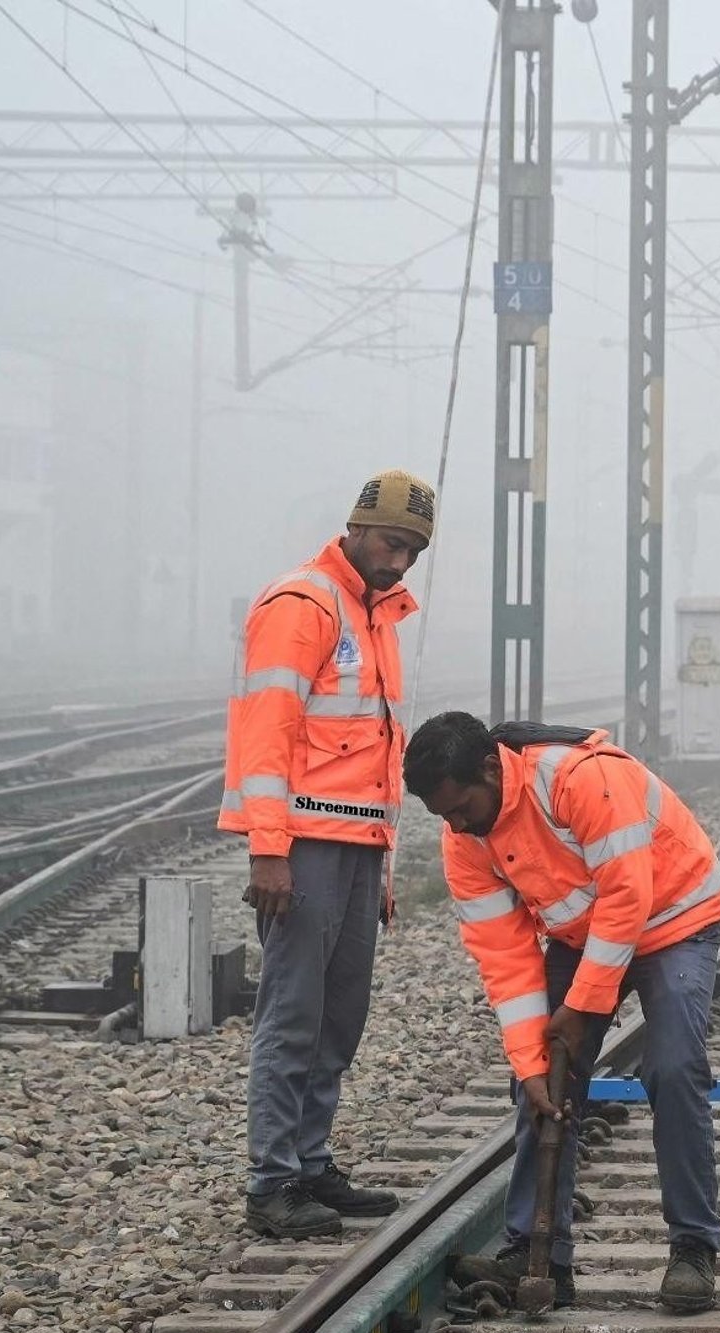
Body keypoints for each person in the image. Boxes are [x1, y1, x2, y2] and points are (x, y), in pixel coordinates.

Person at [405, 712, 720, 1312]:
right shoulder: (465, 839)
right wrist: (531, 1062)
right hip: (584, 935)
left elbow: (628, 894)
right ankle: (537, 1253)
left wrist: (582, 1006)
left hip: (675, 919)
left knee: (674, 1066)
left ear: (488, 768)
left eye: (461, 808)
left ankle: (693, 1247)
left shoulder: (578, 778)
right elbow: (505, 957)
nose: (455, 825)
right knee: (543, 1084)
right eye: (443, 816)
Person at [219, 469, 435, 1238]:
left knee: (340, 1015)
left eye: (413, 550)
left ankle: (310, 1164)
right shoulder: (303, 605)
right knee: (293, 1014)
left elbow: (373, 752)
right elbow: (265, 732)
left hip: (353, 848)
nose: (400, 562)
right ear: (355, 526)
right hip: (303, 846)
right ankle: (272, 1179)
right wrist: (267, 848)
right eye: (390, 542)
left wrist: (381, 859)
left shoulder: (375, 616)